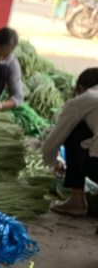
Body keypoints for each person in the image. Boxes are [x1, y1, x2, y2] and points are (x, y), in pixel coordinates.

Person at [41, 67, 98, 217]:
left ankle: (76, 201)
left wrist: (53, 161)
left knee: (74, 129)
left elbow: (52, 143)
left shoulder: (85, 98)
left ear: (82, 87)